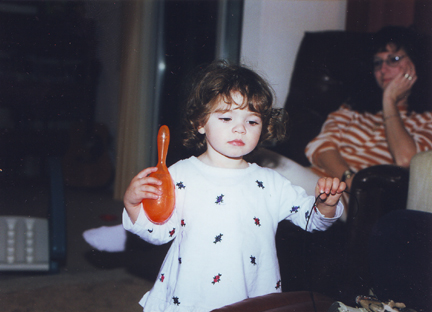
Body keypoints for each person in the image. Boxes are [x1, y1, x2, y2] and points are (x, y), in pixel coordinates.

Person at [122, 60, 346, 311]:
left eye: (252, 122)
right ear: (200, 123)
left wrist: (325, 204)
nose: (240, 128)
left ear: (263, 127)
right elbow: (160, 232)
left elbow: (311, 220)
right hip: (190, 295)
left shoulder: (270, 183)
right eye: (227, 117)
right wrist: (134, 205)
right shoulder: (181, 174)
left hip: (250, 294)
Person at [305, 26, 432, 190]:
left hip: (349, 199)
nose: (383, 70)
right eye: (377, 62)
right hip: (320, 178)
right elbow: (320, 146)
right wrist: (349, 178)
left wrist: (389, 101)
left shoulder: (427, 119)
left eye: (393, 59)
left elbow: (407, 161)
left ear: (417, 61)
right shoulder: (354, 107)